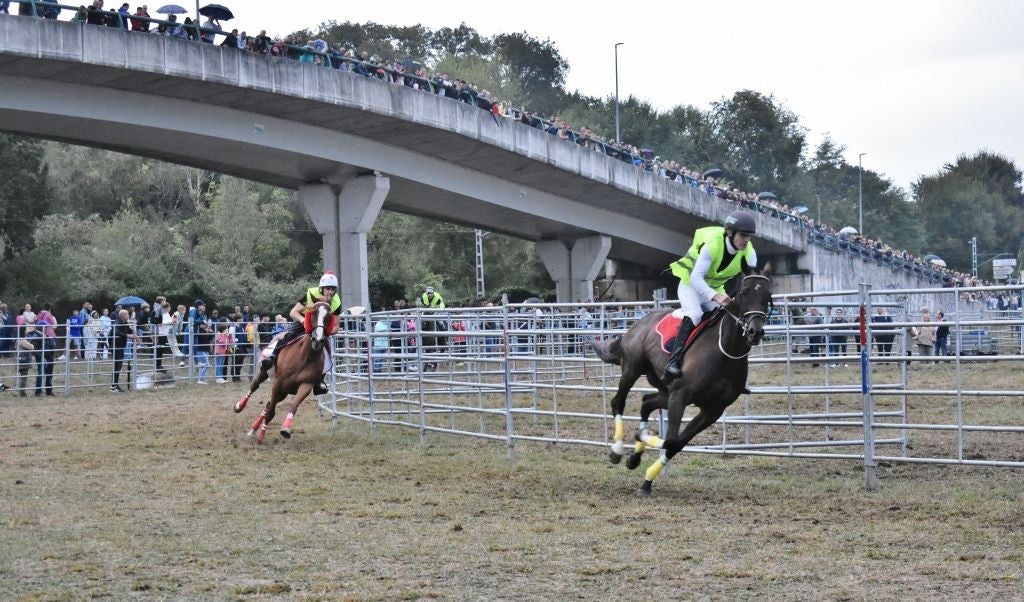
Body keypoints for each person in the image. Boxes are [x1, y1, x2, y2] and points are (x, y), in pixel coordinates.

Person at [662, 211, 758, 380]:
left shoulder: (750, 253)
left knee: (733, 319)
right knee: (695, 314)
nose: (746, 240)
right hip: (690, 285)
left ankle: (733, 372)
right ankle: (674, 361)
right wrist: (715, 296)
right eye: (743, 235)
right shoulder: (712, 246)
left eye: (749, 237)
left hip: (714, 288)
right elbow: (696, 278)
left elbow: (748, 282)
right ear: (730, 232)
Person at [260, 272, 342, 394]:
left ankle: (318, 382)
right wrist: (303, 320)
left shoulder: (336, 303)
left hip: (320, 328)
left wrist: (326, 331)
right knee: (287, 335)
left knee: (327, 351)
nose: (330, 292)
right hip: (303, 321)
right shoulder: (311, 295)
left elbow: (336, 326)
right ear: (322, 288)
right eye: (328, 289)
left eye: (333, 289)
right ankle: (272, 357)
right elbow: (293, 312)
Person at [110, 308, 138, 392]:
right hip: (115, 346)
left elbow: (129, 330)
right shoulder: (118, 323)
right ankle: (113, 386)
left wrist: (134, 334)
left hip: (121, 346)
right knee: (117, 365)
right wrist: (128, 336)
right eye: (127, 315)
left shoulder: (125, 323)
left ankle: (115, 385)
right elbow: (117, 332)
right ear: (122, 316)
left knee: (119, 366)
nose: (128, 316)